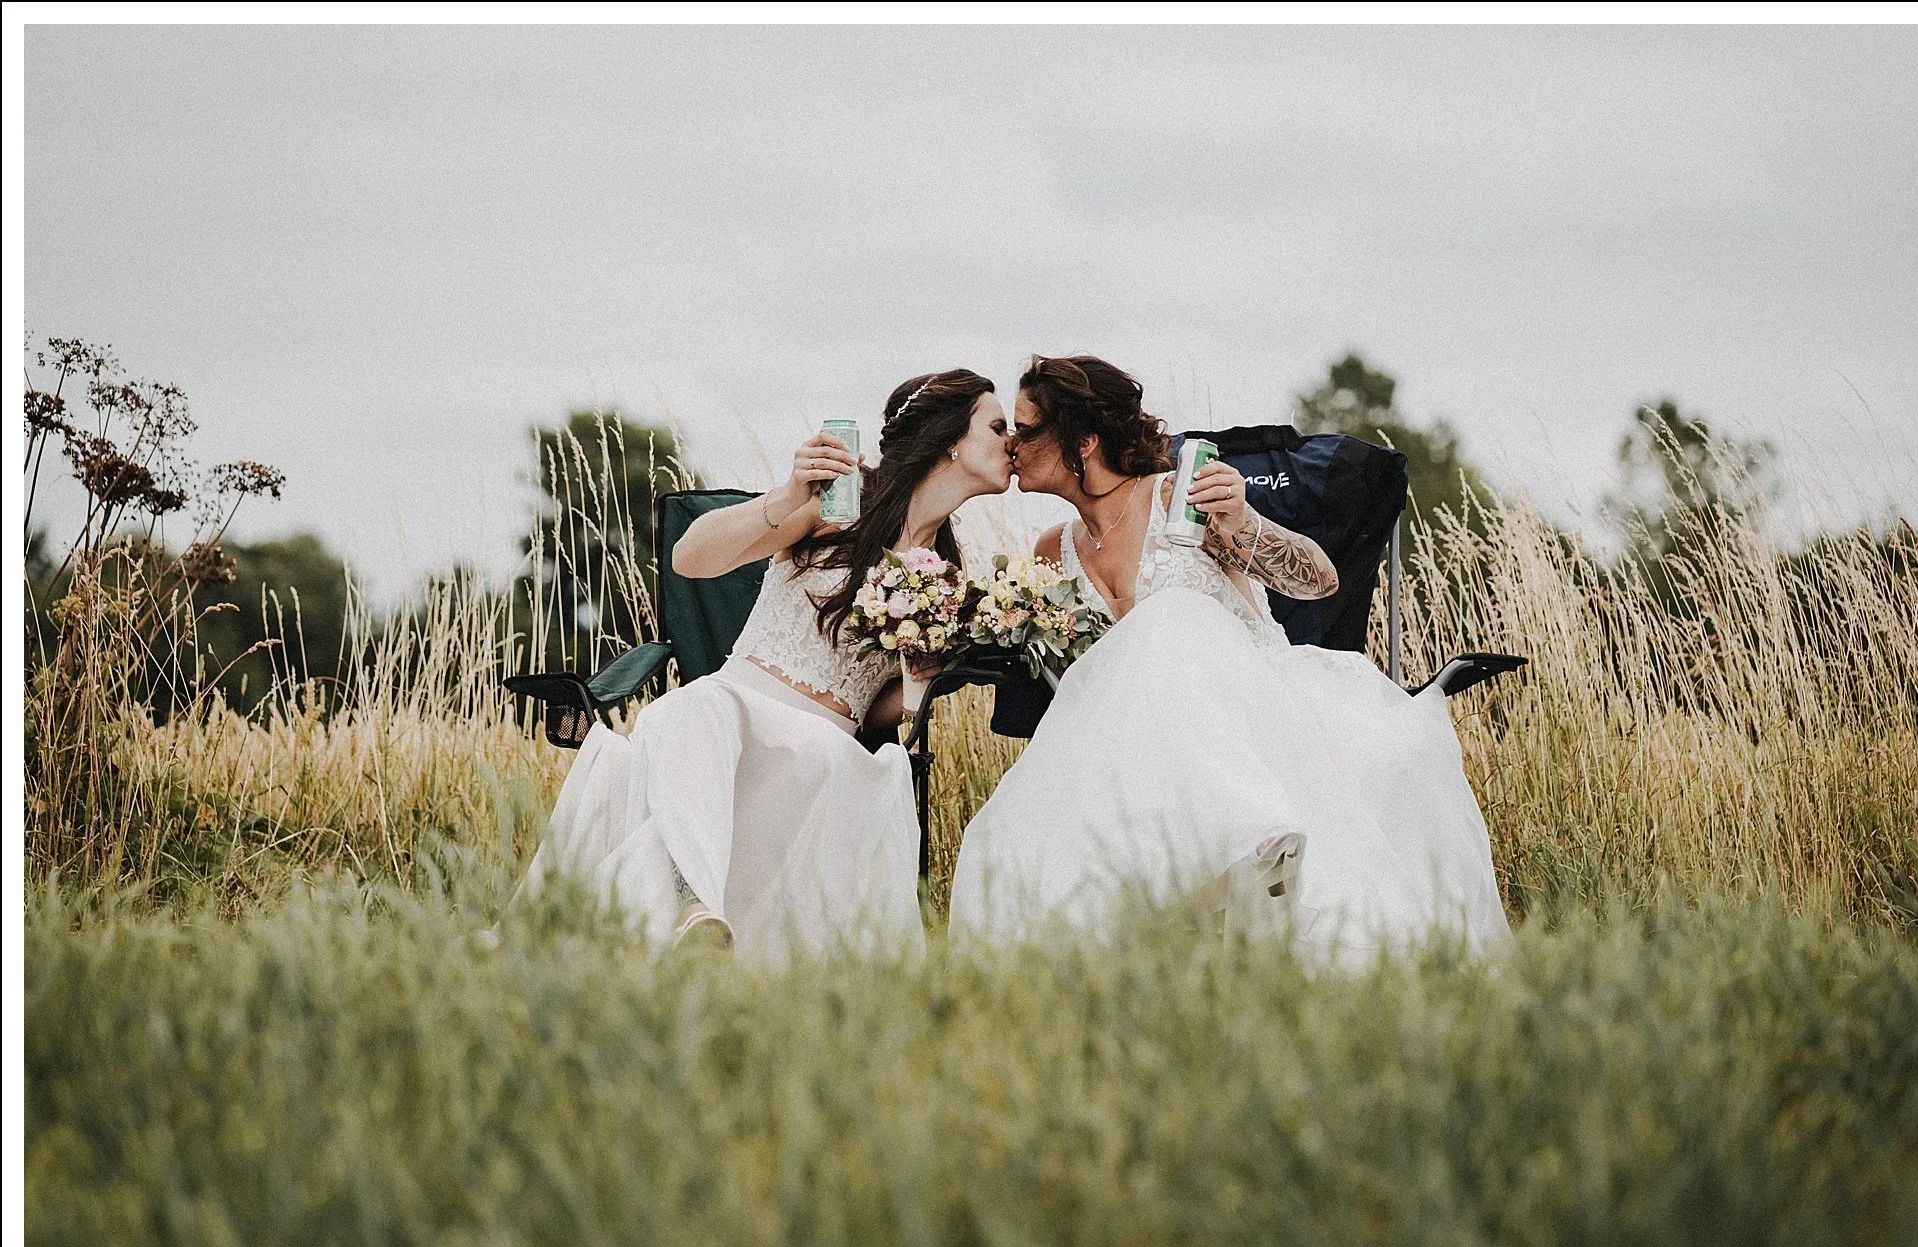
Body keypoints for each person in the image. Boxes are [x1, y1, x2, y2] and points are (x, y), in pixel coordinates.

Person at [950, 355, 1513, 967]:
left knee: (1172, 619)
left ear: (1082, 441)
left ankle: (1256, 835)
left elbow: (1319, 583)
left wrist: (1243, 521)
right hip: (1143, 758)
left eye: (1027, 429)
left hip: (1257, 716)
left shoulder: (1180, 500)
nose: (1012, 444)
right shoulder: (1050, 552)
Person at [520, 369, 1015, 959]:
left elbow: (883, 708)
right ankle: (690, 906)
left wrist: (917, 683)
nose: (1012, 440)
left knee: (701, 720)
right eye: (998, 426)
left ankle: (642, 925)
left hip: (826, 746)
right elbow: (689, 559)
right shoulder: (840, 504)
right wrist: (788, 496)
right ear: (951, 440)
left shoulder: (947, 576)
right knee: (693, 707)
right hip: (736, 714)